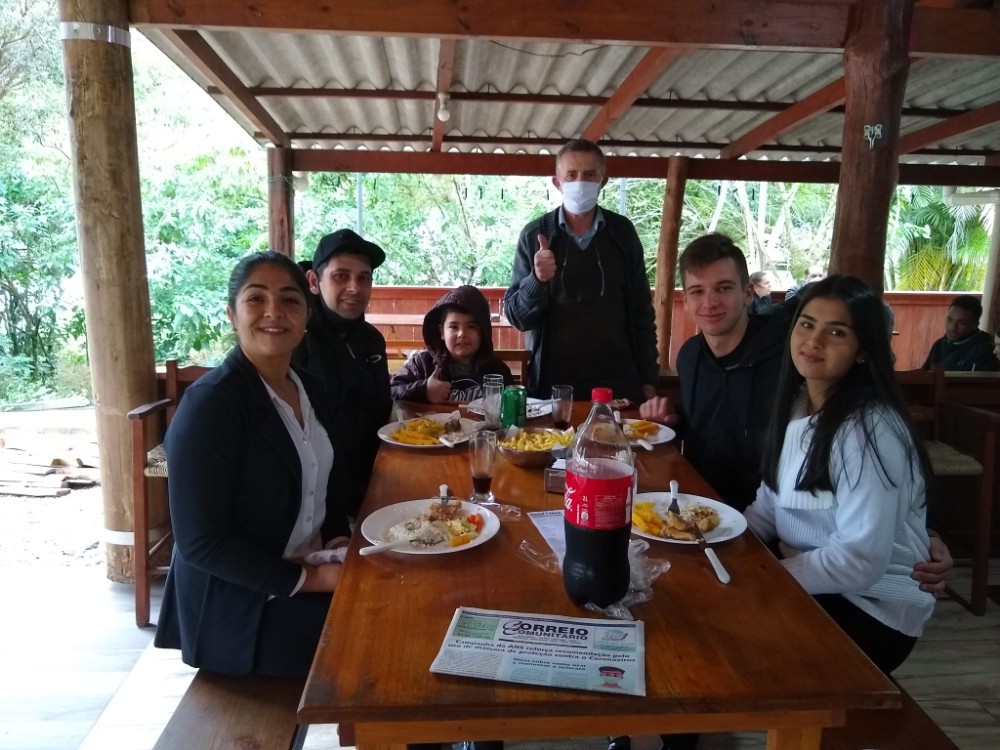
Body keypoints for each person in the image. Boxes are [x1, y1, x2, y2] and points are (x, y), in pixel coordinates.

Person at [155, 252, 351, 677]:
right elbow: (200, 543)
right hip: (242, 607)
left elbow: (323, 480)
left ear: (306, 315)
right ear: (232, 314)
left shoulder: (310, 389)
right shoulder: (212, 403)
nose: (274, 313)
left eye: (290, 300)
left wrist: (335, 538)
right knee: (376, 642)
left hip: (307, 569)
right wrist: (311, 581)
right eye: (256, 299)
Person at [745, 275, 935, 674]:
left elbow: (860, 560)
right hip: (812, 579)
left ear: (863, 350)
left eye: (836, 332)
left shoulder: (869, 429)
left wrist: (768, 577)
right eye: (806, 324)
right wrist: (716, 544)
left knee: (717, 631)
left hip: (870, 610)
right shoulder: (799, 403)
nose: (814, 341)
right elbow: (767, 506)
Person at [503, 138, 659, 405]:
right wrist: (536, 280)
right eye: (571, 175)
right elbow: (517, 317)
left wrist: (648, 381)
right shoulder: (535, 234)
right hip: (552, 385)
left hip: (618, 383)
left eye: (589, 175)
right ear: (557, 182)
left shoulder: (622, 233)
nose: (580, 182)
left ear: (603, 180)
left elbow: (641, 311)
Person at [295, 229, 393, 516]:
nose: (354, 287)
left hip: (373, 479)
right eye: (341, 276)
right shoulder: (296, 341)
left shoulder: (372, 340)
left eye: (364, 278)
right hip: (313, 494)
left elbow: (382, 410)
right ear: (314, 281)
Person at [390, 285, 513, 402]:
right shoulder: (422, 365)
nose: (462, 334)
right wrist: (424, 390)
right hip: (434, 423)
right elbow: (392, 390)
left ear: (483, 331)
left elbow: (512, 405)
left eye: (471, 327)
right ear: (441, 332)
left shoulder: (498, 371)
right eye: (454, 327)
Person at [922, 294, 999, 372]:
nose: (952, 327)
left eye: (961, 323)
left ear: (975, 325)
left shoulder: (984, 352)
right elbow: (923, 377)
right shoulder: (939, 345)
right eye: (950, 320)